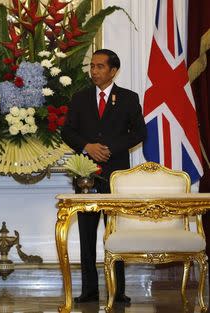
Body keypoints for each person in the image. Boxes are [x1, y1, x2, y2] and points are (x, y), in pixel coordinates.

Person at [62, 49, 147, 303]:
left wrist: (110, 148)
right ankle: (89, 290)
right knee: (87, 233)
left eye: (100, 67)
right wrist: (87, 147)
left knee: (115, 233)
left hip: (115, 173)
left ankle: (117, 291)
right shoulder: (80, 98)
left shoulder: (129, 98)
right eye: (93, 66)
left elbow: (139, 133)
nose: (94, 71)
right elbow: (67, 131)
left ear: (113, 71)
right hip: (86, 174)